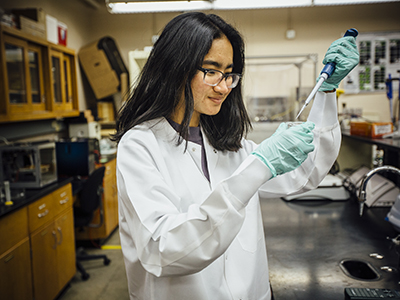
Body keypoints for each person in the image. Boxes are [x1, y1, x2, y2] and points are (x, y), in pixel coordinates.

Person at [113, 12, 359, 300]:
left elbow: (306, 171)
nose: (224, 86)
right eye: (211, 71)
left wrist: (327, 91)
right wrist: (257, 169)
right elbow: (163, 250)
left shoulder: (228, 144)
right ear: (175, 67)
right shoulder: (140, 146)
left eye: (229, 73)